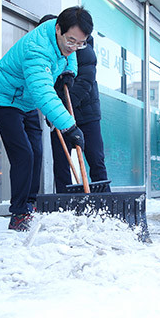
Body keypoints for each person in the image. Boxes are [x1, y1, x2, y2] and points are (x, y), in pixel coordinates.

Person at [0, 6, 90, 231]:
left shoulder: (64, 41)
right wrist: (69, 127)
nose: (74, 48)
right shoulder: (38, 49)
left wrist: (69, 73)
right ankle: (19, 213)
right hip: (4, 99)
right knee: (23, 152)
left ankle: (30, 203)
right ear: (58, 29)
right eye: (71, 41)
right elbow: (42, 90)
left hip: (27, 101)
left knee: (37, 151)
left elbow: (69, 57)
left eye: (80, 43)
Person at [46, 22, 108, 193]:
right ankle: (65, 204)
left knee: (95, 159)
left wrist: (63, 109)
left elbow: (85, 83)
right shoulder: (48, 52)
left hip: (87, 114)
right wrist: (52, 112)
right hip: (60, 114)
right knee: (61, 162)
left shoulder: (84, 50)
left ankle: (105, 204)